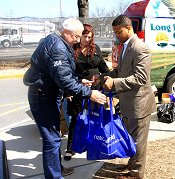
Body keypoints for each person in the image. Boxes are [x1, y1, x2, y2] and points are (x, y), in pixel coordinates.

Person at [23, 18, 107, 179]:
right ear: (67, 32)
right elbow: (63, 80)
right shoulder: (58, 48)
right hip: (43, 96)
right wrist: (90, 94)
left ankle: (57, 169)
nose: (77, 40)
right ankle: (55, 176)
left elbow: (62, 73)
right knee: (52, 140)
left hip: (47, 93)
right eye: (75, 36)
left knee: (54, 138)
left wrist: (78, 79)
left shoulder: (56, 40)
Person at [99, 15, 156, 179]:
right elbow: (119, 72)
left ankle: (136, 174)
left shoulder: (140, 48)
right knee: (131, 139)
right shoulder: (125, 46)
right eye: (115, 32)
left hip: (139, 104)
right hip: (128, 103)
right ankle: (131, 165)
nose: (116, 35)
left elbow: (140, 78)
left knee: (138, 142)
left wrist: (114, 83)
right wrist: (102, 77)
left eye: (118, 32)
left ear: (128, 28)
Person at [64, 23, 110, 161]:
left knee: (96, 117)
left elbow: (103, 67)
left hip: (96, 88)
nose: (86, 40)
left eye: (89, 37)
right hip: (78, 87)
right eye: (84, 36)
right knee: (76, 118)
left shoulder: (95, 49)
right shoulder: (72, 49)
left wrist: (107, 78)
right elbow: (67, 73)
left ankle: (95, 143)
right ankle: (70, 148)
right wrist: (68, 91)